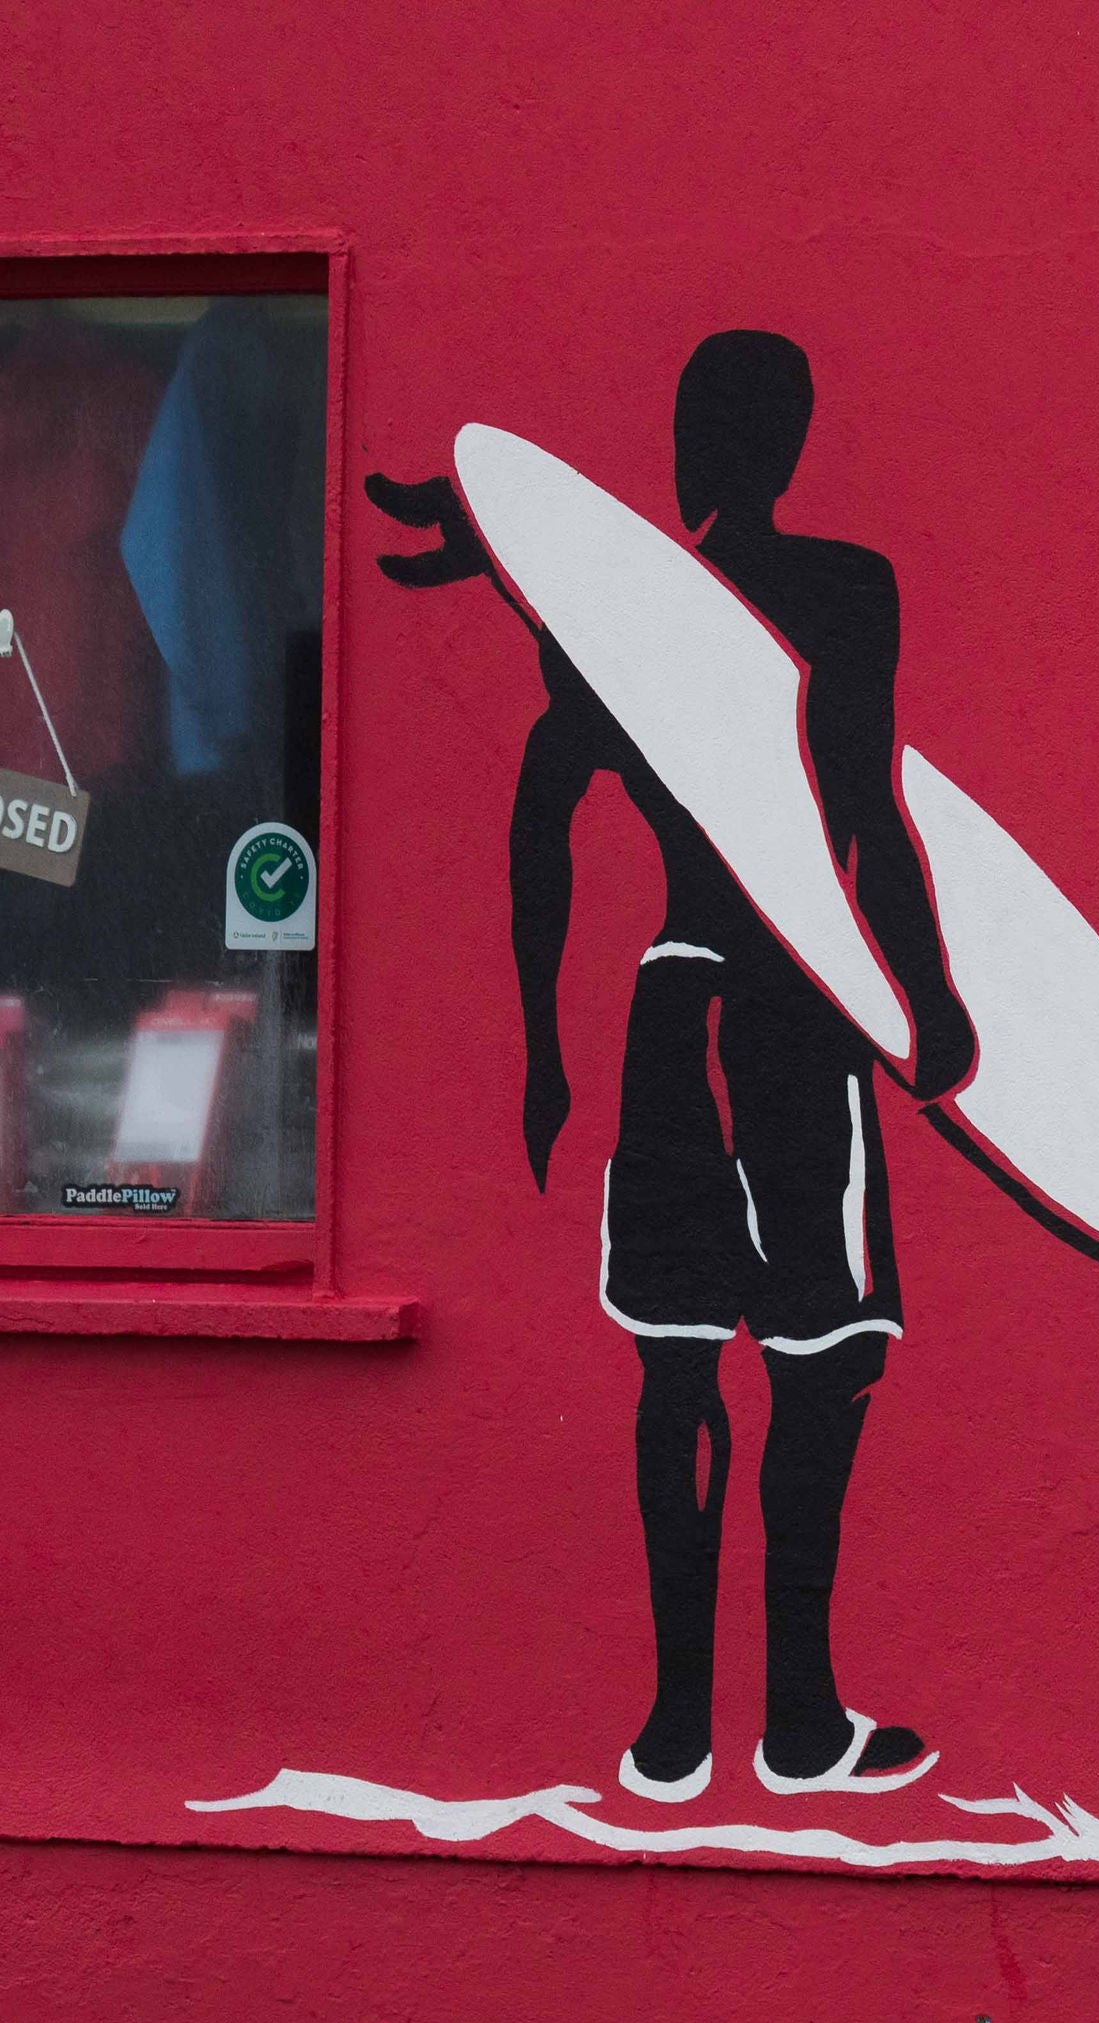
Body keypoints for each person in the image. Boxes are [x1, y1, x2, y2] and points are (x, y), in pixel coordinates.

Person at [367, 331, 977, 1802]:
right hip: (791, 1008)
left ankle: (674, 1724)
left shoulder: (620, 612)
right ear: (792, 441)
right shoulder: (846, 591)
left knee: (677, 1357)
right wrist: (932, 996)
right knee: (822, 1366)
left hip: (670, 1002)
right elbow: (870, 816)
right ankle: (801, 1718)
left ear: (704, 443)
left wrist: (540, 1043)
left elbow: (540, 810)